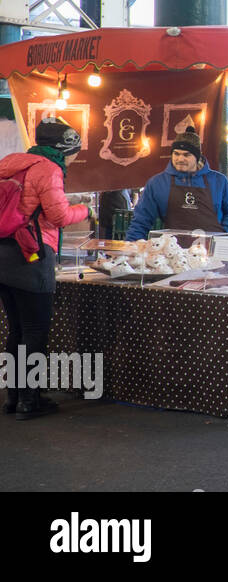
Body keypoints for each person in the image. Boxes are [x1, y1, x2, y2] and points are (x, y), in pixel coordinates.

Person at [0, 119, 91, 419]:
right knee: (36, 330)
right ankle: (30, 400)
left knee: (16, 329)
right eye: (75, 151)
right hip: (32, 255)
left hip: (3, 252)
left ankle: (13, 398)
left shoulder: (12, 162)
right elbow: (59, 215)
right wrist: (86, 210)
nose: (76, 157)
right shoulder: (49, 169)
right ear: (64, 149)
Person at [126, 128, 228, 240]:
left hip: (212, 250)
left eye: (187, 155)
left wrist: (224, 230)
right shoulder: (158, 183)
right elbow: (141, 220)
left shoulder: (218, 181)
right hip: (174, 252)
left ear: (197, 157)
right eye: (176, 154)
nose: (180, 159)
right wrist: (131, 247)